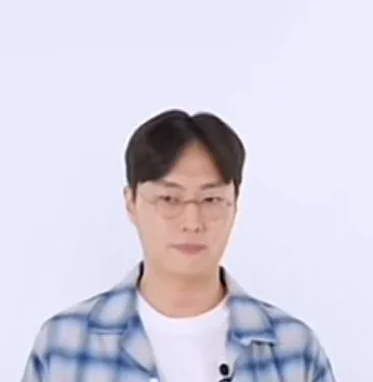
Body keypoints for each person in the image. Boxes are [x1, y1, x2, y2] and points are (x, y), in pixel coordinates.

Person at [21, 109, 336, 382]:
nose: (192, 222)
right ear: (131, 202)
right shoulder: (63, 345)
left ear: (235, 204)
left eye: (211, 199)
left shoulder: (293, 349)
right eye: (169, 199)